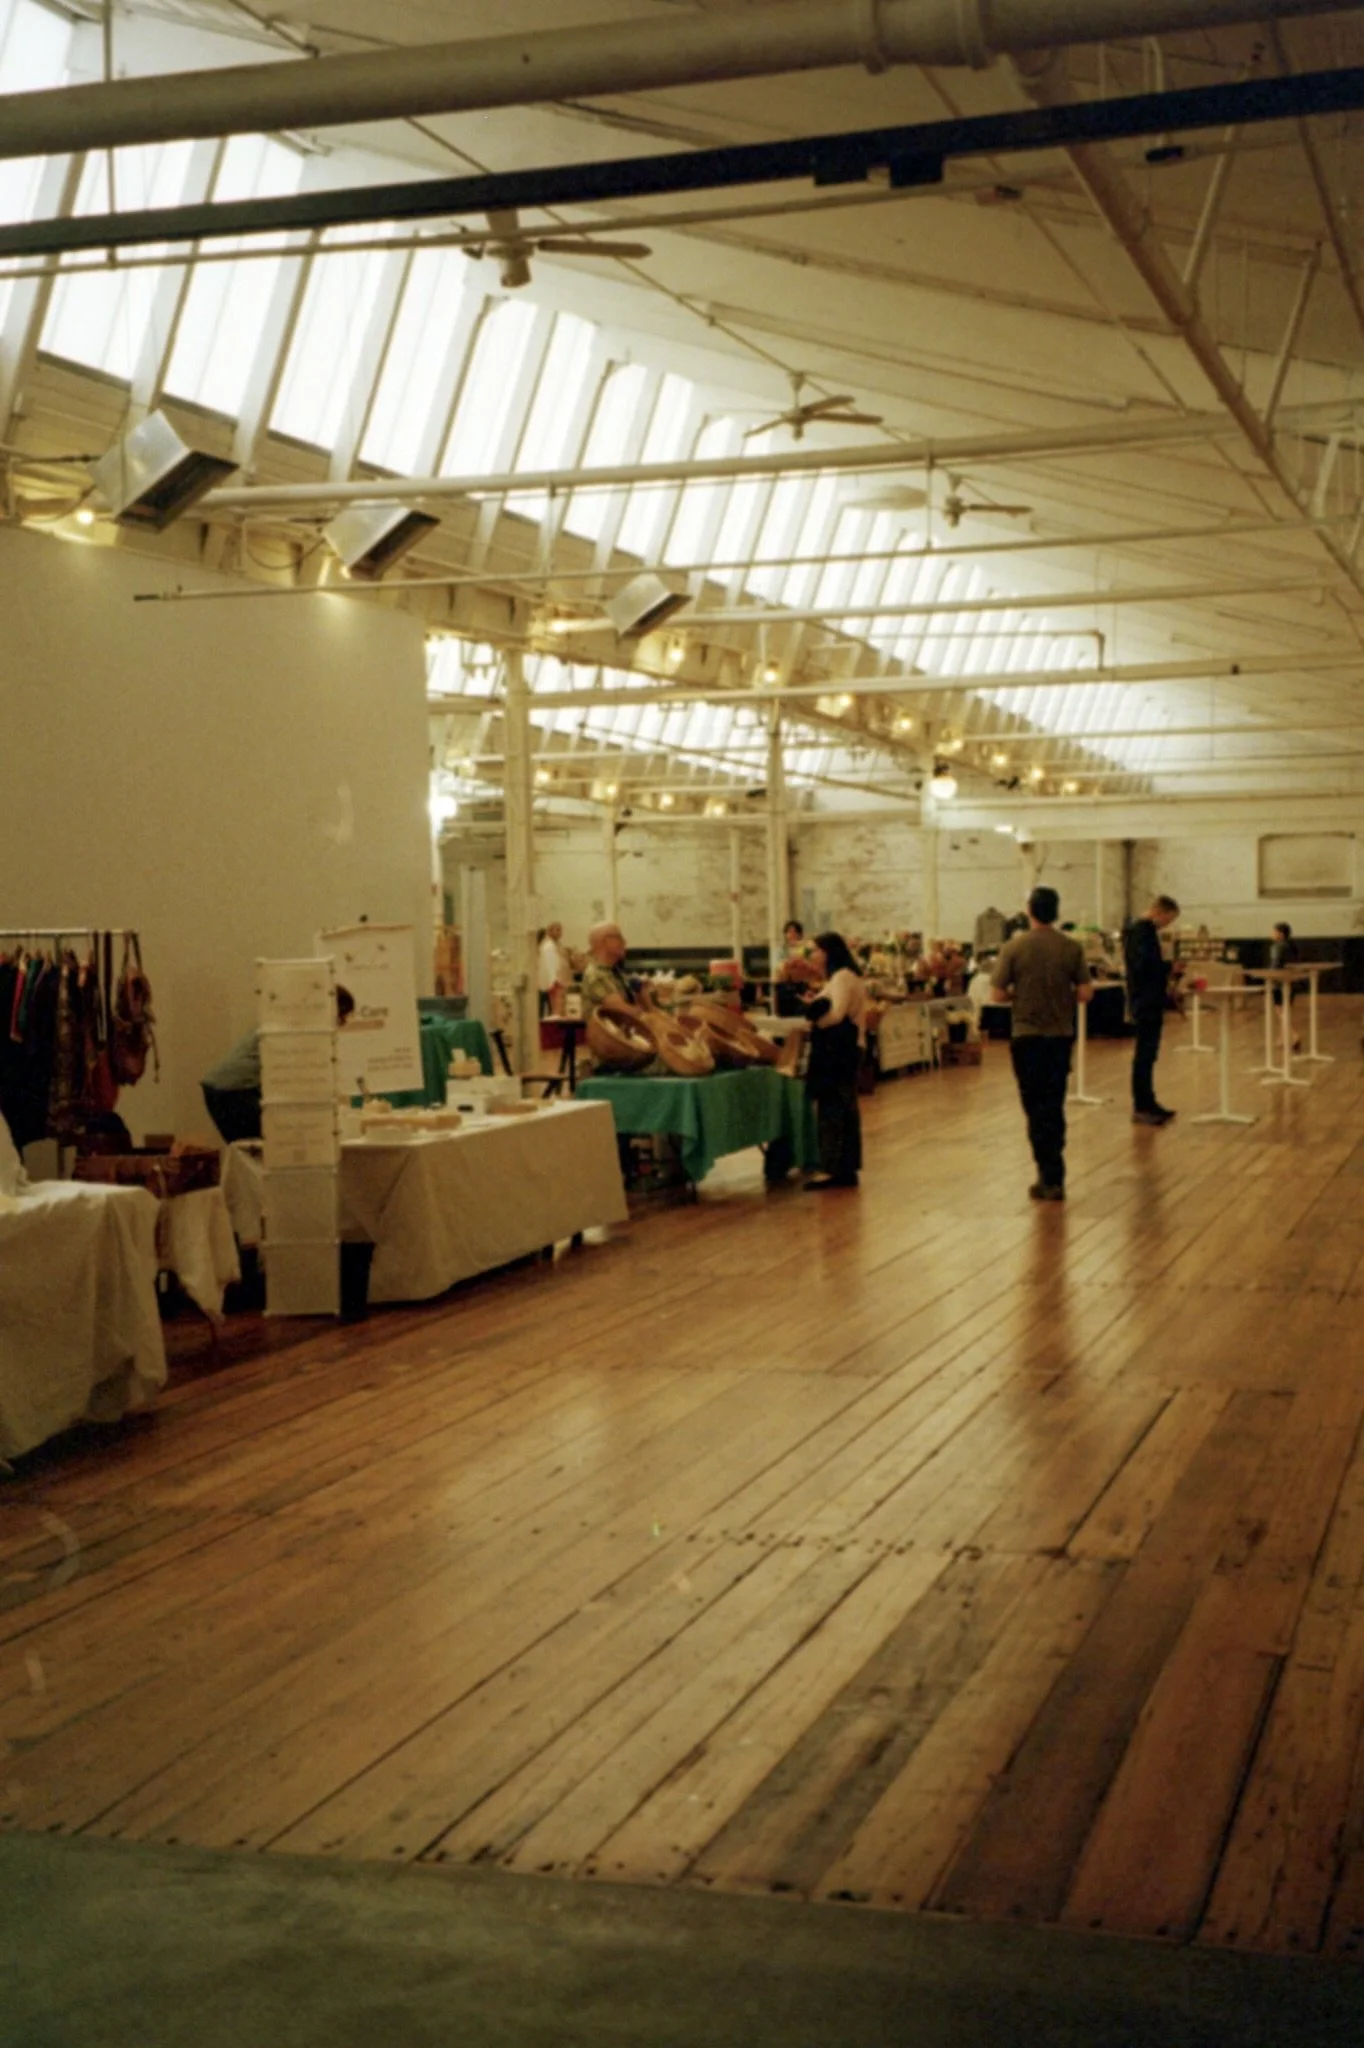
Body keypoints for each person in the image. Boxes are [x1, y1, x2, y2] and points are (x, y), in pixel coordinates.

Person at [991, 886, 1092, 1203]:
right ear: (1057, 911)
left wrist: (1019, 994)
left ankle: (1045, 1174)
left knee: (1034, 1107)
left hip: (1026, 1036)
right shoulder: (1071, 947)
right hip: (1059, 1035)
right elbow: (1085, 993)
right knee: (1054, 1103)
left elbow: (997, 994)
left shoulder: (1013, 947)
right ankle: (1055, 1173)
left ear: (1029, 911)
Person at [202, 985, 354, 1144]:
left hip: (225, 1087)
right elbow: (306, 1080)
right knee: (269, 1146)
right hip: (236, 1090)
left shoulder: (287, 1019)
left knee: (261, 1147)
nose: (342, 1023)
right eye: (342, 1016)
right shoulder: (301, 1028)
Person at [800, 930, 867, 1191]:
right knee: (844, 1108)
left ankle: (832, 1169)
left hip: (838, 1051)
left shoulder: (841, 977)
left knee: (832, 1109)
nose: (812, 956)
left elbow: (836, 1014)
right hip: (848, 1049)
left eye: (815, 950)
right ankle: (845, 1167)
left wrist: (814, 1016)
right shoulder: (846, 977)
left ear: (828, 952)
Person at [1123, 894, 1181, 1125]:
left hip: (1147, 999)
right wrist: (1168, 967)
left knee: (1148, 1054)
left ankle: (1148, 1102)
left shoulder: (1142, 931)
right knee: (1145, 1055)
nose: (1167, 924)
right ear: (1159, 911)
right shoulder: (1141, 932)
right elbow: (1144, 966)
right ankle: (1142, 1105)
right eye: (1169, 919)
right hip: (1145, 1000)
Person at [580, 921, 645, 1018]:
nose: (624, 942)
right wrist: (649, 1016)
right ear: (605, 941)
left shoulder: (613, 972)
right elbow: (622, 1010)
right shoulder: (596, 974)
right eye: (619, 937)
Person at [1269, 920, 1302, 1051]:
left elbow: (1275, 965)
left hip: (1279, 983)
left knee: (1280, 1012)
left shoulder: (1277, 947)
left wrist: (1270, 976)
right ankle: (1282, 1038)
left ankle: (1294, 1036)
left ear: (1280, 934)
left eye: (1274, 931)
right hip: (1291, 982)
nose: (1271, 934)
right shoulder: (1292, 946)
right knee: (1286, 1012)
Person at [537, 921, 568, 1017]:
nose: (560, 933)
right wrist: (554, 981)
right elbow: (550, 965)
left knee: (554, 1010)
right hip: (551, 983)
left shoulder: (556, 945)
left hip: (555, 981)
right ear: (550, 931)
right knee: (553, 1010)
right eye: (557, 930)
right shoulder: (548, 946)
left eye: (560, 930)